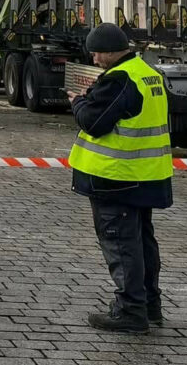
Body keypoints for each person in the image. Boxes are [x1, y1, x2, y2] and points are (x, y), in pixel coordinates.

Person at [70, 22, 173, 334]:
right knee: (142, 242)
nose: (94, 60)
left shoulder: (119, 79)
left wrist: (78, 102)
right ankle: (149, 305)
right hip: (146, 175)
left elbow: (94, 122)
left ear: (110, 52)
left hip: (116, 177)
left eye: (97, 54)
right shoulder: (148, 73)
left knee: (121, 243)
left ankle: (130, 311)